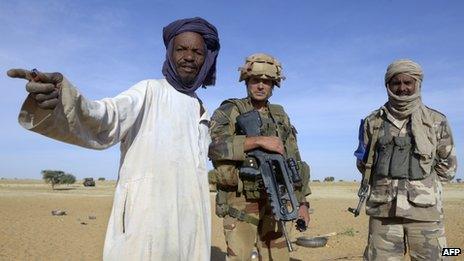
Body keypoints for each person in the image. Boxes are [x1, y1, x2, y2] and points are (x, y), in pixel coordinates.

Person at [7, 17, 220, 261]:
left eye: (197, 52)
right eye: (181, 49)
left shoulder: (201, 109)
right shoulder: (149, 90)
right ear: (170, 53)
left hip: (191, 228)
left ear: (207, 59)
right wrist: (61, 100)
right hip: (145, 226)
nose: (189, 57)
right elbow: (106, 116)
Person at [208, 53, 311, 260]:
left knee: (278, 257)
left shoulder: (280, 115)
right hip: (241, 200)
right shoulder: (230, 110)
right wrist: (257, 141)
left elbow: (294, 160)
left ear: (274, 85)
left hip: (276, 200)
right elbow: (214, 148)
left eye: (267, 82)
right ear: (247, 82)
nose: (261, 86)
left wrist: (302, 203)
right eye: (255, 81)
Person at [354, 59, 457, 260]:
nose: (402, 88)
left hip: (425, 213)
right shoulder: (373, 121)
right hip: (383, 212)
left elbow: (448, 166)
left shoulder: (437, 121)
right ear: (388, 86)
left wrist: (424, 188)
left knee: (442, 256)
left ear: (417, 84)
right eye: (396, 83)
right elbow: (364, 163)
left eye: (407, 82)